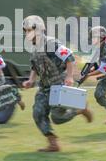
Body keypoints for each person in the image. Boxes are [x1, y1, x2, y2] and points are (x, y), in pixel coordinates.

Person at [21, 15, 93, 152]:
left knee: (57, 117)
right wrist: (31, 80)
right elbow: (35, 67)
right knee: (38, 113)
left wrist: (70, 76)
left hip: (58, 85)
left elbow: (69, 58)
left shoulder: (52, 43)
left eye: (29, 30)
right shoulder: (35, 48)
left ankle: (80, 109)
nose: (27, 33)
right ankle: (53, 144)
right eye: (25, 30)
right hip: (44, 86)